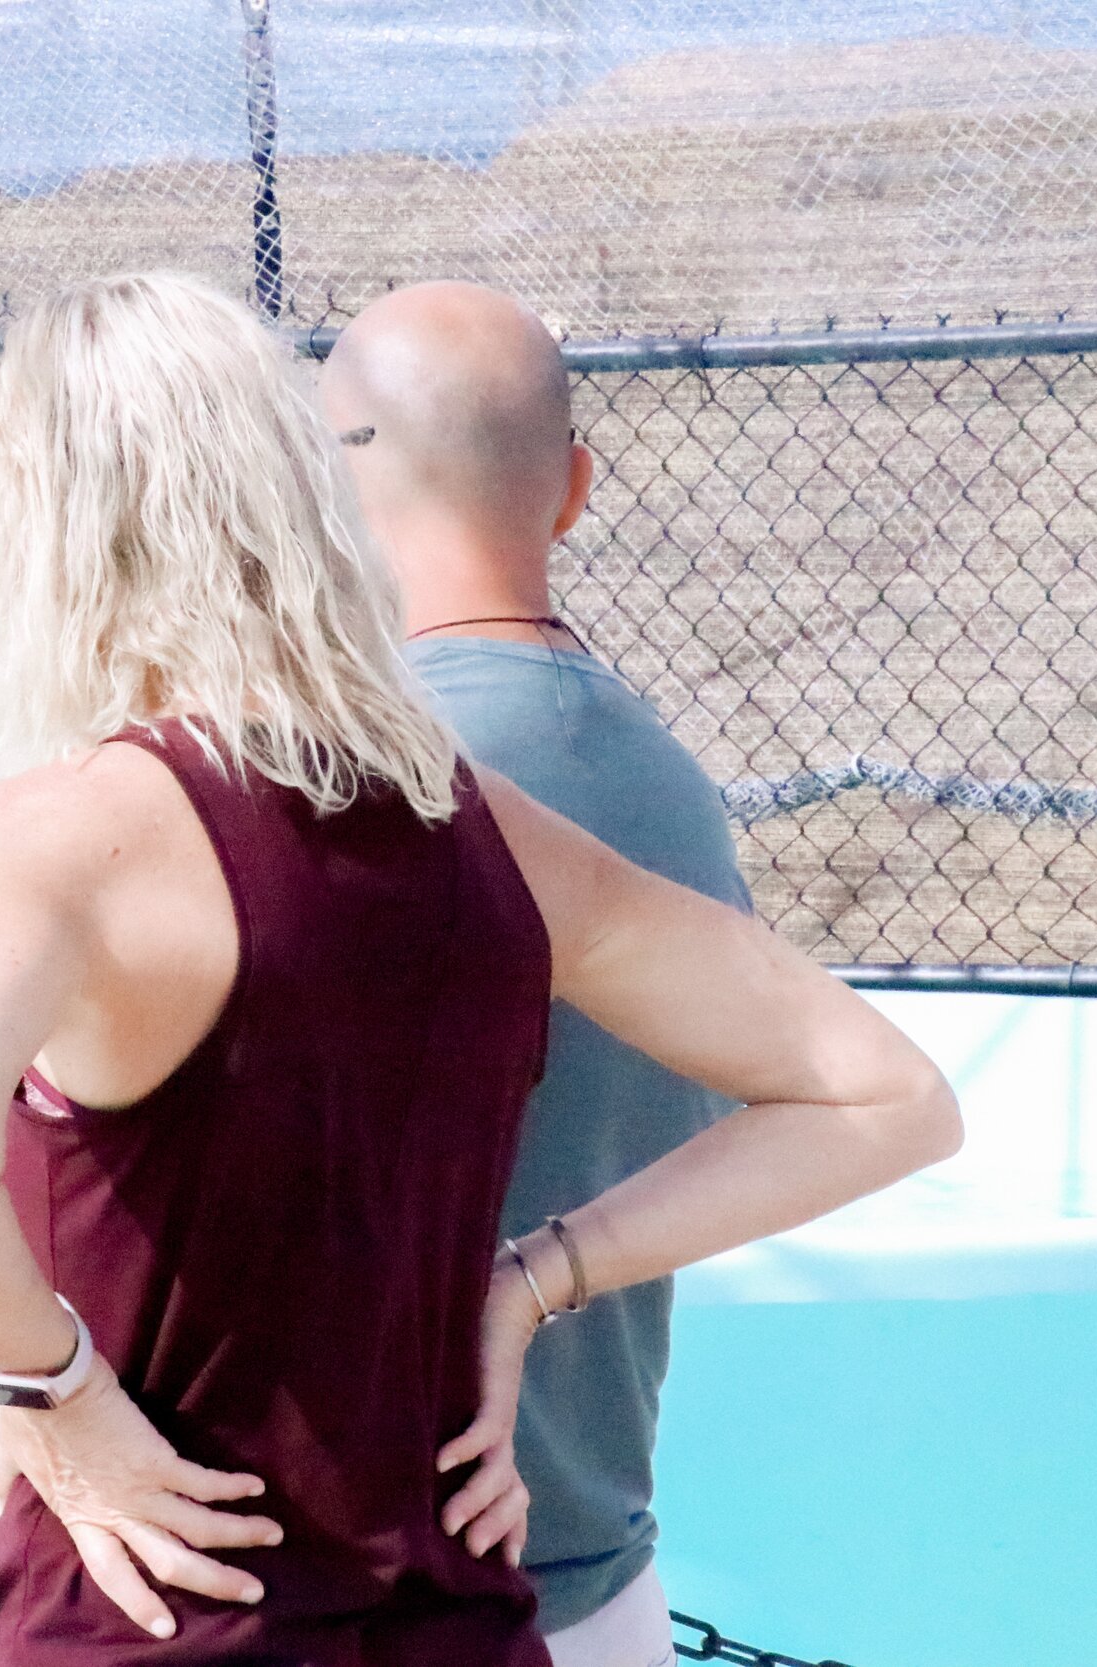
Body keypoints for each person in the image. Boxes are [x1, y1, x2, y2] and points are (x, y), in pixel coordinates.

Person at [0, 271, 960, 1667]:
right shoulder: (485, 829)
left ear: (40, 529)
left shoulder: (36, 848)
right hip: (458, 1624)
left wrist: (58, 1394)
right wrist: (535, 1279)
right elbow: (889, 1095)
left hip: (140, 1625)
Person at [319, 279, 753, 1667]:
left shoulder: (321, 791)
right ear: (572, 489)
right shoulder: (673, 790)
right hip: (596, 1578)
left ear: (327, 496)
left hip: (355, 1590)